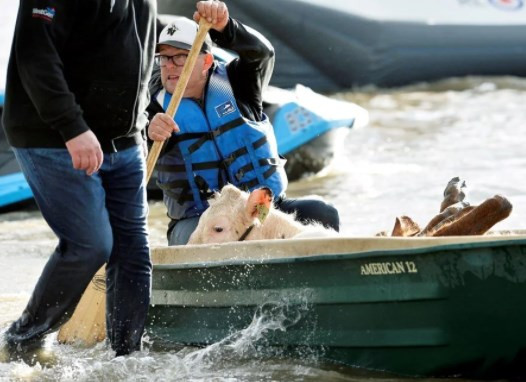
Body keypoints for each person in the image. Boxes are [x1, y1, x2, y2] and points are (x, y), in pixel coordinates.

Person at [1, 0, 157, 356]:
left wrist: (139, 128)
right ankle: (23, 339)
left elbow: (139, 60)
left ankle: (126, 358)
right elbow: (34, 54)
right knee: (90, 245)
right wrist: (72, 127)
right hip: (53, 137)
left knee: (133, 250)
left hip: (124, 143)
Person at [147, 2, 340, 246]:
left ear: (206, 62)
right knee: (215, 238)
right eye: (164, 58)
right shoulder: (153, 107)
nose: (169, 65)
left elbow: (262, 53)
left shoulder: (239, 85)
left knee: (323, 213)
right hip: (196, 220)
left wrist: (227, 28)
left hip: (258, 210)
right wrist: (148, 132)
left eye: (179, 57)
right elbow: (135, 154)